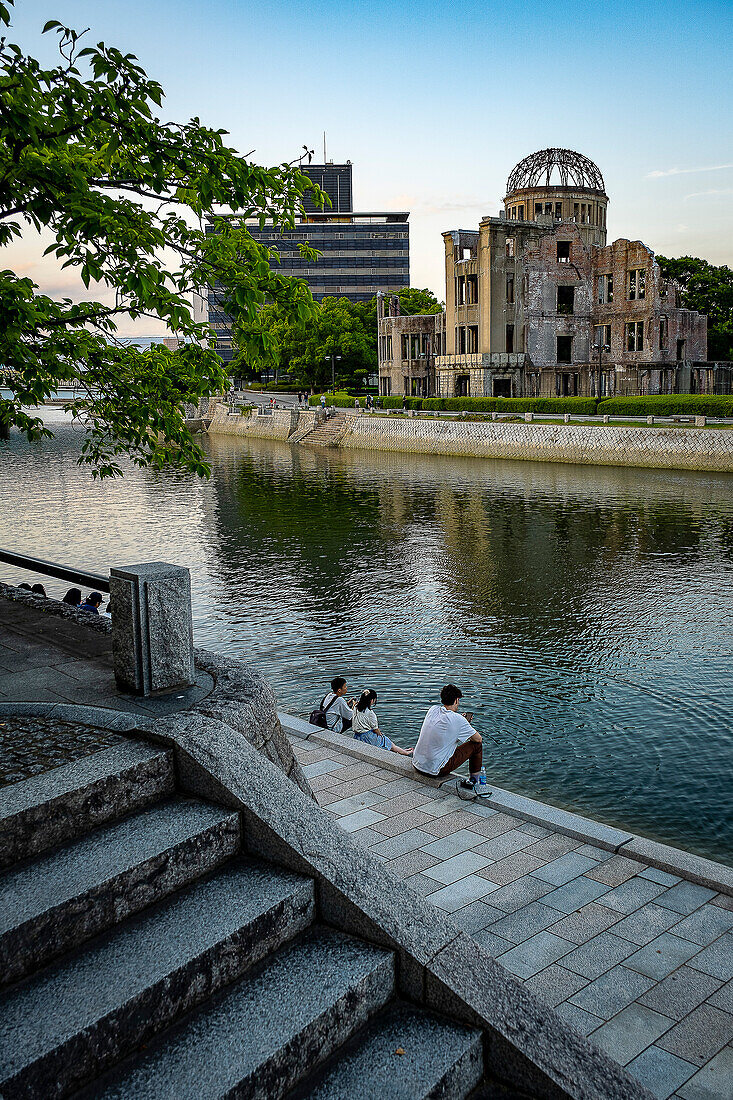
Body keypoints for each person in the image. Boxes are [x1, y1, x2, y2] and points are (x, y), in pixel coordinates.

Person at [412, 684, 491, 799]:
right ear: (456, 700)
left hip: (417, 764)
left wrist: (462, 723)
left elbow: (446, 723)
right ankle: (474, 780)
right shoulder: (458, 720)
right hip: (435, 770)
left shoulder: (432, 710)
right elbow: (478, 738)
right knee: (476, 745)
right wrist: (465, 724)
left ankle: (473, 779)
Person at [353, 690, 413, 756]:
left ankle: (402, 750)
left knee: (388, 743)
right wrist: (380, 735)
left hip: (357, 736)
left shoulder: (355, 707)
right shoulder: (370, 713)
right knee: (389, 743)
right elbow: (376, 729)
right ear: (372, 700)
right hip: (368, 737)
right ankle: (406, 753)